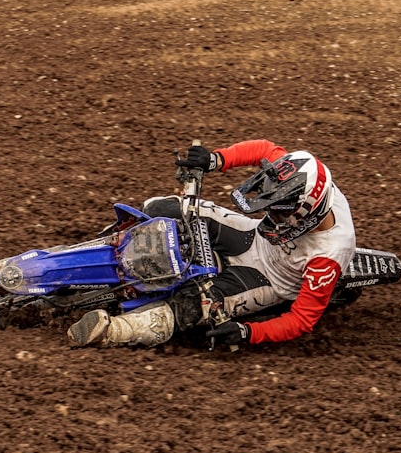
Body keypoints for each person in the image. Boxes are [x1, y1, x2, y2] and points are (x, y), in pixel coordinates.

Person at [67, 139, 357, 348]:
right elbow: (266, 151)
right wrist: (216, 159)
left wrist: (247, 333)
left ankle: (113, 331)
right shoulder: (305, 177)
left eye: (281, 213)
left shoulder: (326, 258)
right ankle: (95, 248)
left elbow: (302, 320)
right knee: (164, 207)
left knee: (193, 307)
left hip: (266, 278)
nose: (273, 214)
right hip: (252, 236)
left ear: (307, 217)